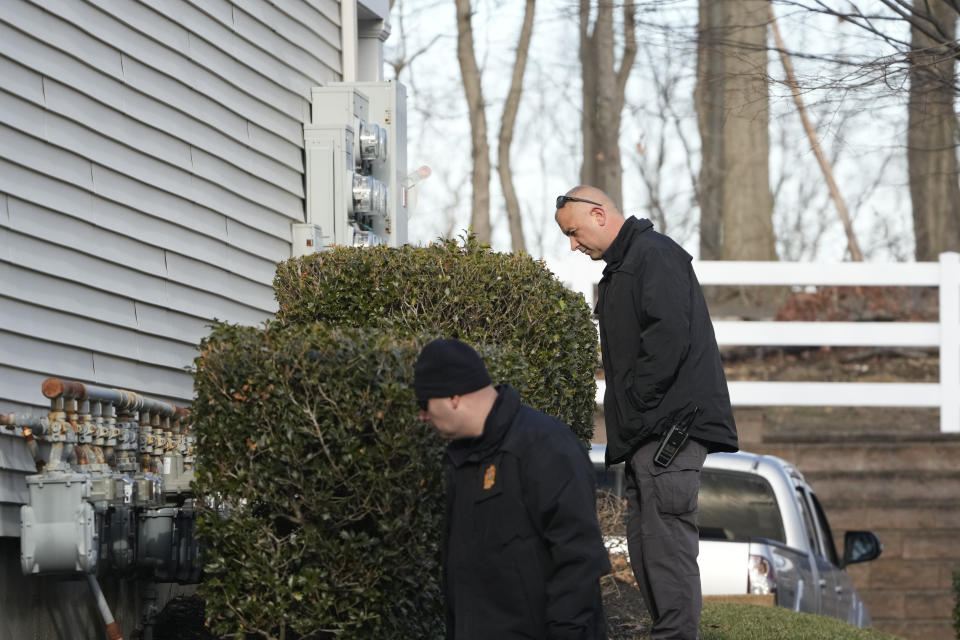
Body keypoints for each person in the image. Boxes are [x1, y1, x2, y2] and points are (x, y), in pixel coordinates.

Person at [555, 186, 739, 640]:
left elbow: (668, 337)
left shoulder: (652, 256)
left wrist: (636, 402)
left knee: (665, 550)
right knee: (646, 547)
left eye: (574, 233)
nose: (573, 245)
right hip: (648, 433)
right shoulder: (623, 267)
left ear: (599, 214)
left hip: (668, 432)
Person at [414, 338, 611, 640]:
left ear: (453, 396)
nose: (422, 416)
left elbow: (579, 560)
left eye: (423, 403)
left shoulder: (545, 446)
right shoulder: (463, 460)